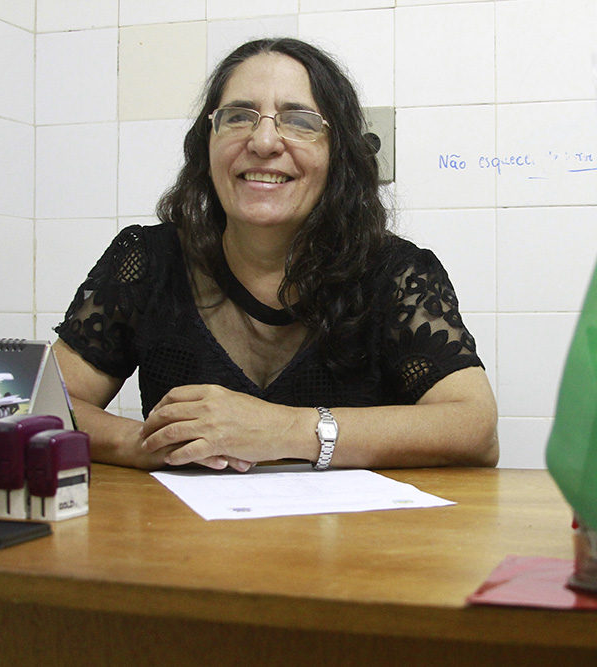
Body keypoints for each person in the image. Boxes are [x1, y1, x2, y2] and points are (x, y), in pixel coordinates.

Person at [53, 37, 499, 472]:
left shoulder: (396, 274)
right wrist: (137, 443)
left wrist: (285, 429)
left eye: (299, 121)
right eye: (237, 117)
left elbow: (475, 430)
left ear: (338, 154)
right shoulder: (147, 260)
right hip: (184, 524)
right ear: (206, 144)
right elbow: (45, 404)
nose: (264, 141)